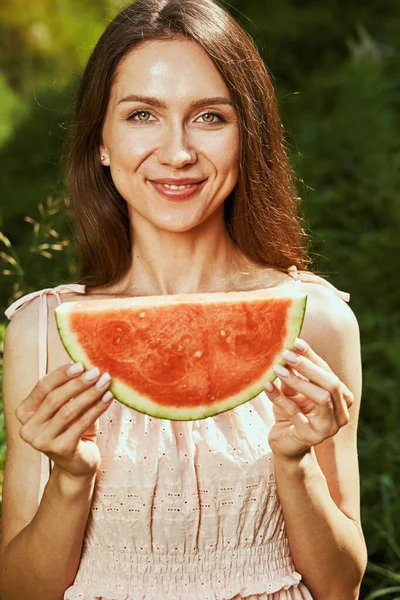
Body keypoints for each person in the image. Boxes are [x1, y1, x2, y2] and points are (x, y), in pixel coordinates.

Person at [0, 0, 367, 598]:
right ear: (101, 142)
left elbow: (341, 587)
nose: (177, 152)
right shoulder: (43, 331)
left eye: (210, 118)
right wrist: (69, 479)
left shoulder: (316, 319)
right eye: (142, 115)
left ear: (248, 137)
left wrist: (296, 463)